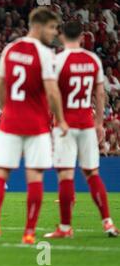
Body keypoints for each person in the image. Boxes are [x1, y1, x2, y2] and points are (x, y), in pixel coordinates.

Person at [0, 7, 69, 245]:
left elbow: (0, 84)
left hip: (10, 123)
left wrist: (7, 110)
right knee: (34, 177)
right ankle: (29, 232)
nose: (54, 33)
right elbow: (52, 91)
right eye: (52, 27)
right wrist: (61, 119)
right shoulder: (46, 54)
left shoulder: (10, 49)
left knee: (0, 174)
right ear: (38, 25)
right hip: (36, 124)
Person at [45, 21, 119, 238]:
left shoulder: (58, 61)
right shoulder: (93, 60)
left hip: (65, 124)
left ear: (62, 36)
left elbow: (52, 95)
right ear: (82, 37)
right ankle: (108, 223)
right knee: (92, 173)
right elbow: (100, 94)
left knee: (66, 175)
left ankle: (65, 228)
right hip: (87, 123)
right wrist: (99, 124)